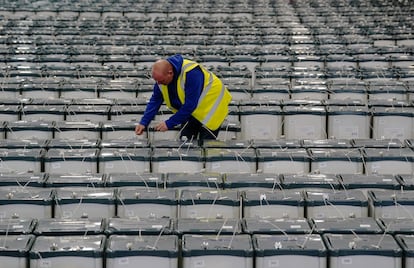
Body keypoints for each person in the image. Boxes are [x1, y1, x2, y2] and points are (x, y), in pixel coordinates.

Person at [135, 54, 232, 142]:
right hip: (192, 113)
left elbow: (190, 105)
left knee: (206, 147)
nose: (159, 83)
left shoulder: (192, 73)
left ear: (170, 73)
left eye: (161, 80)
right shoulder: (161, 80)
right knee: (185, 143)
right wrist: (144, 122)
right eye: (156, 81)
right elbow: (155, 100)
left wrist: (169, 123)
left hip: (211, 109)